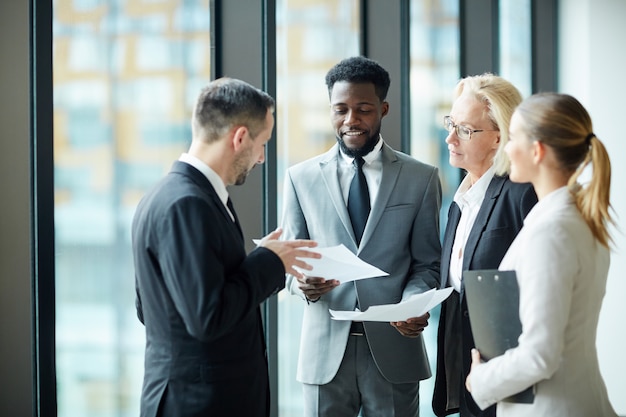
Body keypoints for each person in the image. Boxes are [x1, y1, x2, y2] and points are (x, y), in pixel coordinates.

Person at [131, 77, 320, 417]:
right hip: (199, 404)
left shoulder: (165, 195)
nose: (261, 158)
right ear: (240, 137)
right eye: (263, 144)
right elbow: (207, 317)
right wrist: (269, 263)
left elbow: (150, 308)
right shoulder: (188, 204)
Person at [281, 56, 442, 417]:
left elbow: (428, 263)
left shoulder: (421, 178)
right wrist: (301, 284)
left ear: (383, 109)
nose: (350, 120)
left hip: (394, 350)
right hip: (324, 355)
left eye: (363, 109)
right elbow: (289, 261)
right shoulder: (300, 178)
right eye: (340, 110)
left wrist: (414, 303)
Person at [465, 92, 618, 416]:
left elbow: (539, 354)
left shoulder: (552, 231)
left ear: (537, 151)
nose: (506, 147)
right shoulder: (578, 218)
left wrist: (480, 379)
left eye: (513, 137)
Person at [432, 73, 538, 417]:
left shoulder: (522, 195)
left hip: (511, 380)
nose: (450, 137)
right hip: (468, 376)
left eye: (464, 129)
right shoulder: (459, 203)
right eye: (451, 123)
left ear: (498, 137)